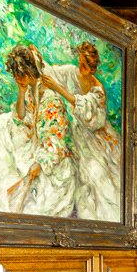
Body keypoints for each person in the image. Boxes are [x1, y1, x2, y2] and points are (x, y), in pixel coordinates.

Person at [0, 44, 76, 217]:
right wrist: (21, 92)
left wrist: (39, 163)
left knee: (34, 201)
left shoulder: (52, 100)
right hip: (36, 147)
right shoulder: (31, 91)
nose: (17, 78)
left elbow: (56, 140)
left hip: (53, 159)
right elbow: (21, 117)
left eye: (19, 74)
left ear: (29, 71)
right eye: (15, 75)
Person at [41, 41, 122, 222]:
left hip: (96, 137)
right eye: (79, 62)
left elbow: (88, 115)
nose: (80, 67)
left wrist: (58, 88)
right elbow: (51, 74)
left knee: (96, 176)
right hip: (76, 133)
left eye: (84, 65)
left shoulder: (98, 90)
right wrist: (38, 58)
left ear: (92, 69)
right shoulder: (72, 72)